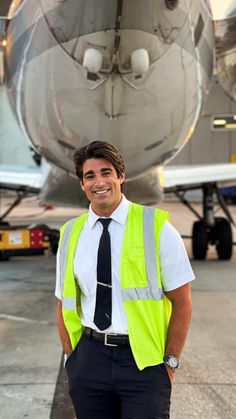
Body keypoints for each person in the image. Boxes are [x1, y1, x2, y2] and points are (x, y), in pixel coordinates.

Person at [55, 140, 194, 419]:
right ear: (82, 184)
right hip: (89, 359)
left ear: (121, 176)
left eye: (106, 172)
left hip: (143, 362)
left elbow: (183, 303)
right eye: (89, 175)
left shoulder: (157, 229)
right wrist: (72, 359)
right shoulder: (71, 234)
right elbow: (63, 301)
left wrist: (170, 363)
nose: (99, 182)